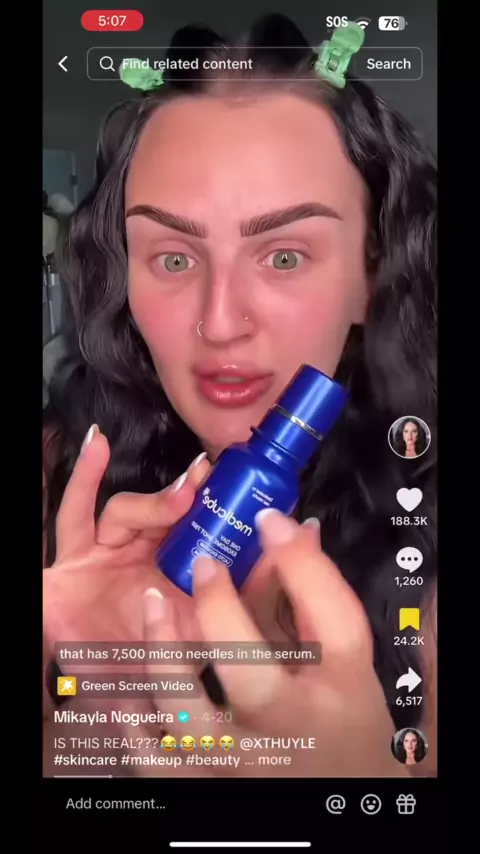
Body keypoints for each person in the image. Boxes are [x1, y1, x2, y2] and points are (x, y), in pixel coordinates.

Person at [42, 15, 437, 777]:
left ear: (372, 275)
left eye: (284, 256)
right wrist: (92, 712)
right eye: (173, 257)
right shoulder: (57, 477)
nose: (221, 322)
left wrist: (365, 786)